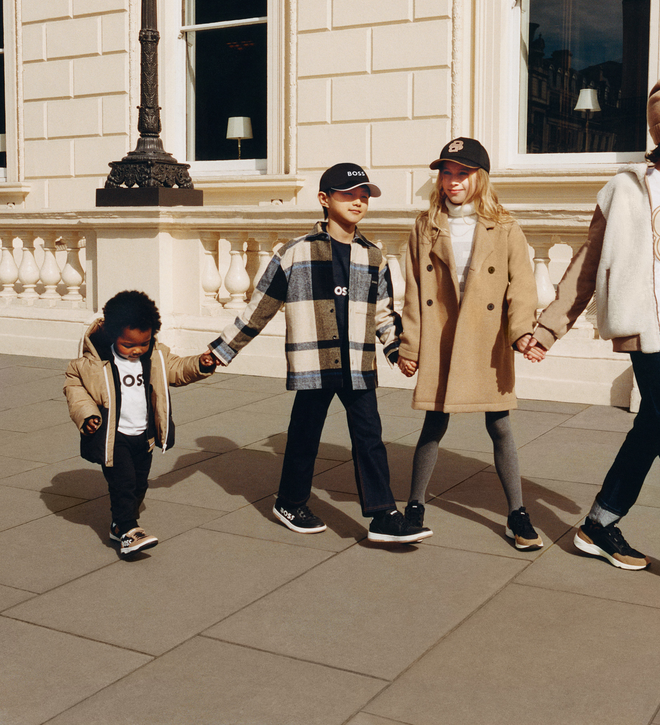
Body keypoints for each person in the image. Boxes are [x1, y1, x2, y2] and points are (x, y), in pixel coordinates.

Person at [525, 78, 660, 602]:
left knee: (652, 429)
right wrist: (549, 328)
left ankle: (599, 524)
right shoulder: (626, 191)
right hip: (646, 331)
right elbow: (586, 266)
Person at [209, 163, 432, 544]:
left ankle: (383, 515)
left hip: (357, 362)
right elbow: (259, 308)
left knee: (369, 436)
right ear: (324, 200)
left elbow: (382, 313)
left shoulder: (373, 256)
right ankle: (290, 502)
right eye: (349, 195)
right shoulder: (295, 253)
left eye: (364, 196)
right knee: (305, 435)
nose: (358, 202)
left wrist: (398, 351)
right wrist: (222, 349)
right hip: (314, 360)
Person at [398, 137, 543, 550]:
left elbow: (522, 286)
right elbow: (413, 291)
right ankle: (414, 506)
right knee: (434, 422)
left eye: (462, 173)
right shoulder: (425, 225)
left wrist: (521, 332)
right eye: (447, 172)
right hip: (442, 336)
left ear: (480, 178)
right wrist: (410, 346)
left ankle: (517, 514)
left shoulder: (505, 226)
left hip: (486, 337)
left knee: (499, 425)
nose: (453, 181)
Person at [64, 290, 216, 556]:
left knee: (138, 484)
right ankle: (129, 530)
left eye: (144, 343)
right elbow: (75, 387)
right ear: (113, 335)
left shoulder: (154, 357)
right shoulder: (94, 363)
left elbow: (178, 369)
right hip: (114, 436)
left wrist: (200, 364)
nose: (137, 350)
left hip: (143, 436)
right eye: (128, 345)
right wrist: (87, 415)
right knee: (123, 483)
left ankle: (119, 525)